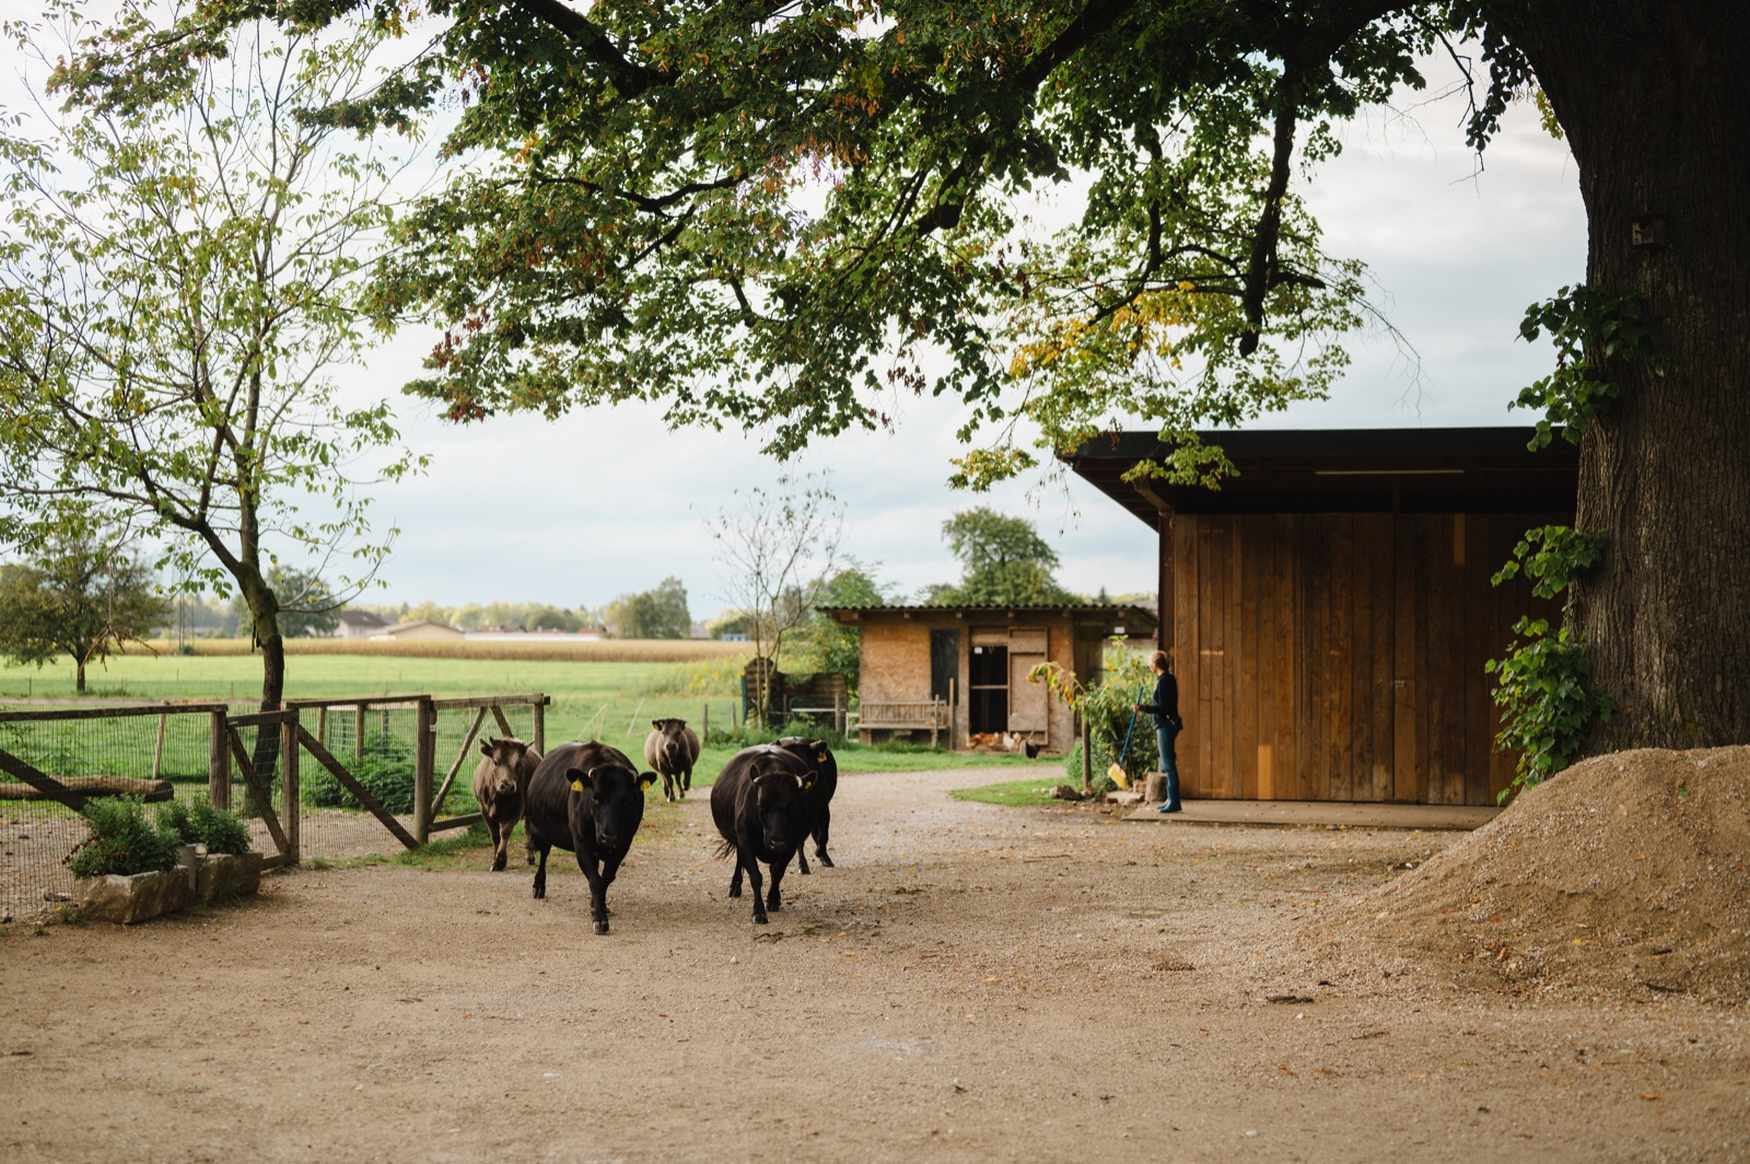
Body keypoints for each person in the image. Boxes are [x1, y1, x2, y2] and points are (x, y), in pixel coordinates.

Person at [1135, 650, 1182, 813]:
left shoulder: (1164, 681)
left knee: (1168, 765)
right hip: (1166, 725)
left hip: (1165, 726)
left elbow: (1163, 708)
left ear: (1156, 664)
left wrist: (1142, 708)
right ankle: (1171, 799)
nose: (1149, 665)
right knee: (1167, 764)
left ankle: (1174, 802)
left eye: (1150, 662)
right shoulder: (1166, 679)